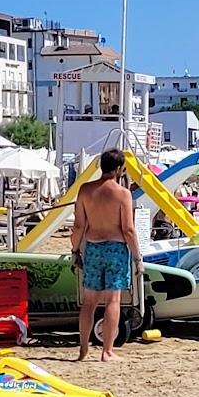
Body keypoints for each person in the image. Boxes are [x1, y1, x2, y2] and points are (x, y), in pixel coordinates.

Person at [70, 148, 141, 362]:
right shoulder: (122, 194)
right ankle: (107, 351)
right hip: (116, 249)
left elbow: (79, 226)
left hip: (93, 247)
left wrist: (75, 250)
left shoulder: (85, 190)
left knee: (89, 302)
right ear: (120, 169)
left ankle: (83, 349)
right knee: (113, 300)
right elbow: (128, 229)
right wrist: (138, 257)